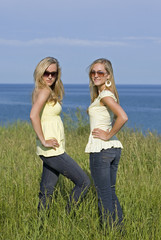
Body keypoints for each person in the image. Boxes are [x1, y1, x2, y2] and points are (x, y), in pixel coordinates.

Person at [30, 57, 90, 213]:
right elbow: (33, 115)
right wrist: (44, 140)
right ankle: (68, 215)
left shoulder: (42, 90)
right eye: (46, 73)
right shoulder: (43, 91)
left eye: (54, 73)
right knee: (83, 182)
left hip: (49, 149)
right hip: (52, 149)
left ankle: (40, 226)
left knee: (47, 190)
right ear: (40, 73)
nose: (50, 77)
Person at [85, 58, 128, 228]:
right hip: (112, 149)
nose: (95, 75)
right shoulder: (105, 95)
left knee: (104, 194)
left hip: (102, 150)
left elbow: (123, 117)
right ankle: (119, 230)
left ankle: (109, 232)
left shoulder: (105, 95)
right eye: (93, 72)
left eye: (100, 72)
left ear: (108, 75)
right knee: (109, 192)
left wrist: (108, 134)